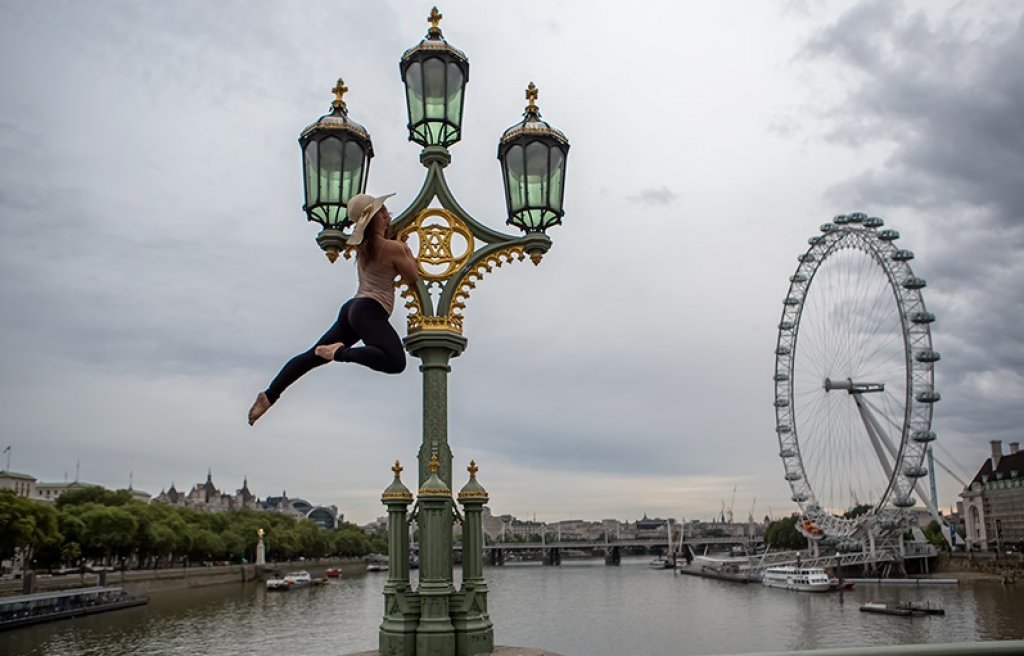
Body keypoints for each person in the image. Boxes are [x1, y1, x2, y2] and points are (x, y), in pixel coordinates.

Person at [248, 192, 419, 425]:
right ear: (374, 219)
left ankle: (269, 395)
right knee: (395, 361)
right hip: (370, 309)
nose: (387, 214)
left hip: (353, 308)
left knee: (312, 356)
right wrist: (407, 251)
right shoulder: (393, 248)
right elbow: (412, 276)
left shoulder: (364, 246)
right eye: (382, 212)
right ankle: (339, 352)